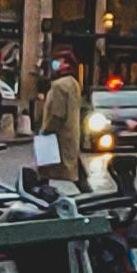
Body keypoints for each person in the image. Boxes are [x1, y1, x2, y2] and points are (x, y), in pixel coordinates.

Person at [35, 55, 88, 197]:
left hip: (57, 136)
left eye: (59, 61)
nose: (56, 64)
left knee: (45, 168)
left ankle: (42, 196)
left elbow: (57, 113)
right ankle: (89, 193)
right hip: (70, 135)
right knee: (73, 168)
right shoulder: (74, 83)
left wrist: (46, 131)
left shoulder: (59, 85)